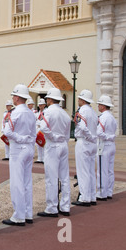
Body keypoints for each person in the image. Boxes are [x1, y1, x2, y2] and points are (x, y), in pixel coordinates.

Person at [2, 84, 36, 226]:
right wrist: (27, 140)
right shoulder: (30, 112)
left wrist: (20, 138)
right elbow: (34, 134)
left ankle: (18, 215)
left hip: (18, 149)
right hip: (29, 148)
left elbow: (7, 132)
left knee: (17, 182)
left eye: (13, 96)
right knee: (27, 182)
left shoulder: (15, 113)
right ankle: (28, 213)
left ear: (17, 97)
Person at [37, 88, 71, 217]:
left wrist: (52, 137)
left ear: (50, 99)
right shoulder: (65, 114)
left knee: (51, 177)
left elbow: (44, 127)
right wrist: (61, 139)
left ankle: (52, 207)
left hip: (53, 145)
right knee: (64, 177)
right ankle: (65, 206)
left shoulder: (48, 112)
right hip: (63, 144)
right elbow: (68, 134)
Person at [73, 89, 98, 207]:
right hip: (93, 143)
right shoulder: (93, 111)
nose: (78, 100)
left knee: (83, 171)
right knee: (90, 171)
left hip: (84, 141)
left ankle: (84, 197)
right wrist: (93, 137)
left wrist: (89, 136)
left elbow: (82, 126)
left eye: (79, 98)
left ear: (82, 100)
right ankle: (92, 196)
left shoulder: (82, 110)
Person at [96, 95, 117, 201]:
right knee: (110, 170)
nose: (98, 106)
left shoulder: (103, 117)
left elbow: (98, 132)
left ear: (103, 106)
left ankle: (101, 192)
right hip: (112, 145)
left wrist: (107, 137)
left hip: (104, 144)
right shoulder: (112, 117)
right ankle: (109, 191)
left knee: (102, 169)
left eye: (99, 104)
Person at [35, 98, 47, 163]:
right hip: (38, 129)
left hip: (43, 129)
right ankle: (39, 158)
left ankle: (44, 158)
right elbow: (35, 121)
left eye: (42, 105)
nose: (40, 106)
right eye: (39, 105)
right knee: (38, 144)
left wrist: (39, 123)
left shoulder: (46, 112)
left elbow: (44, 121)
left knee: (44, 144)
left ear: (44, 105)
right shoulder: (37, 113)